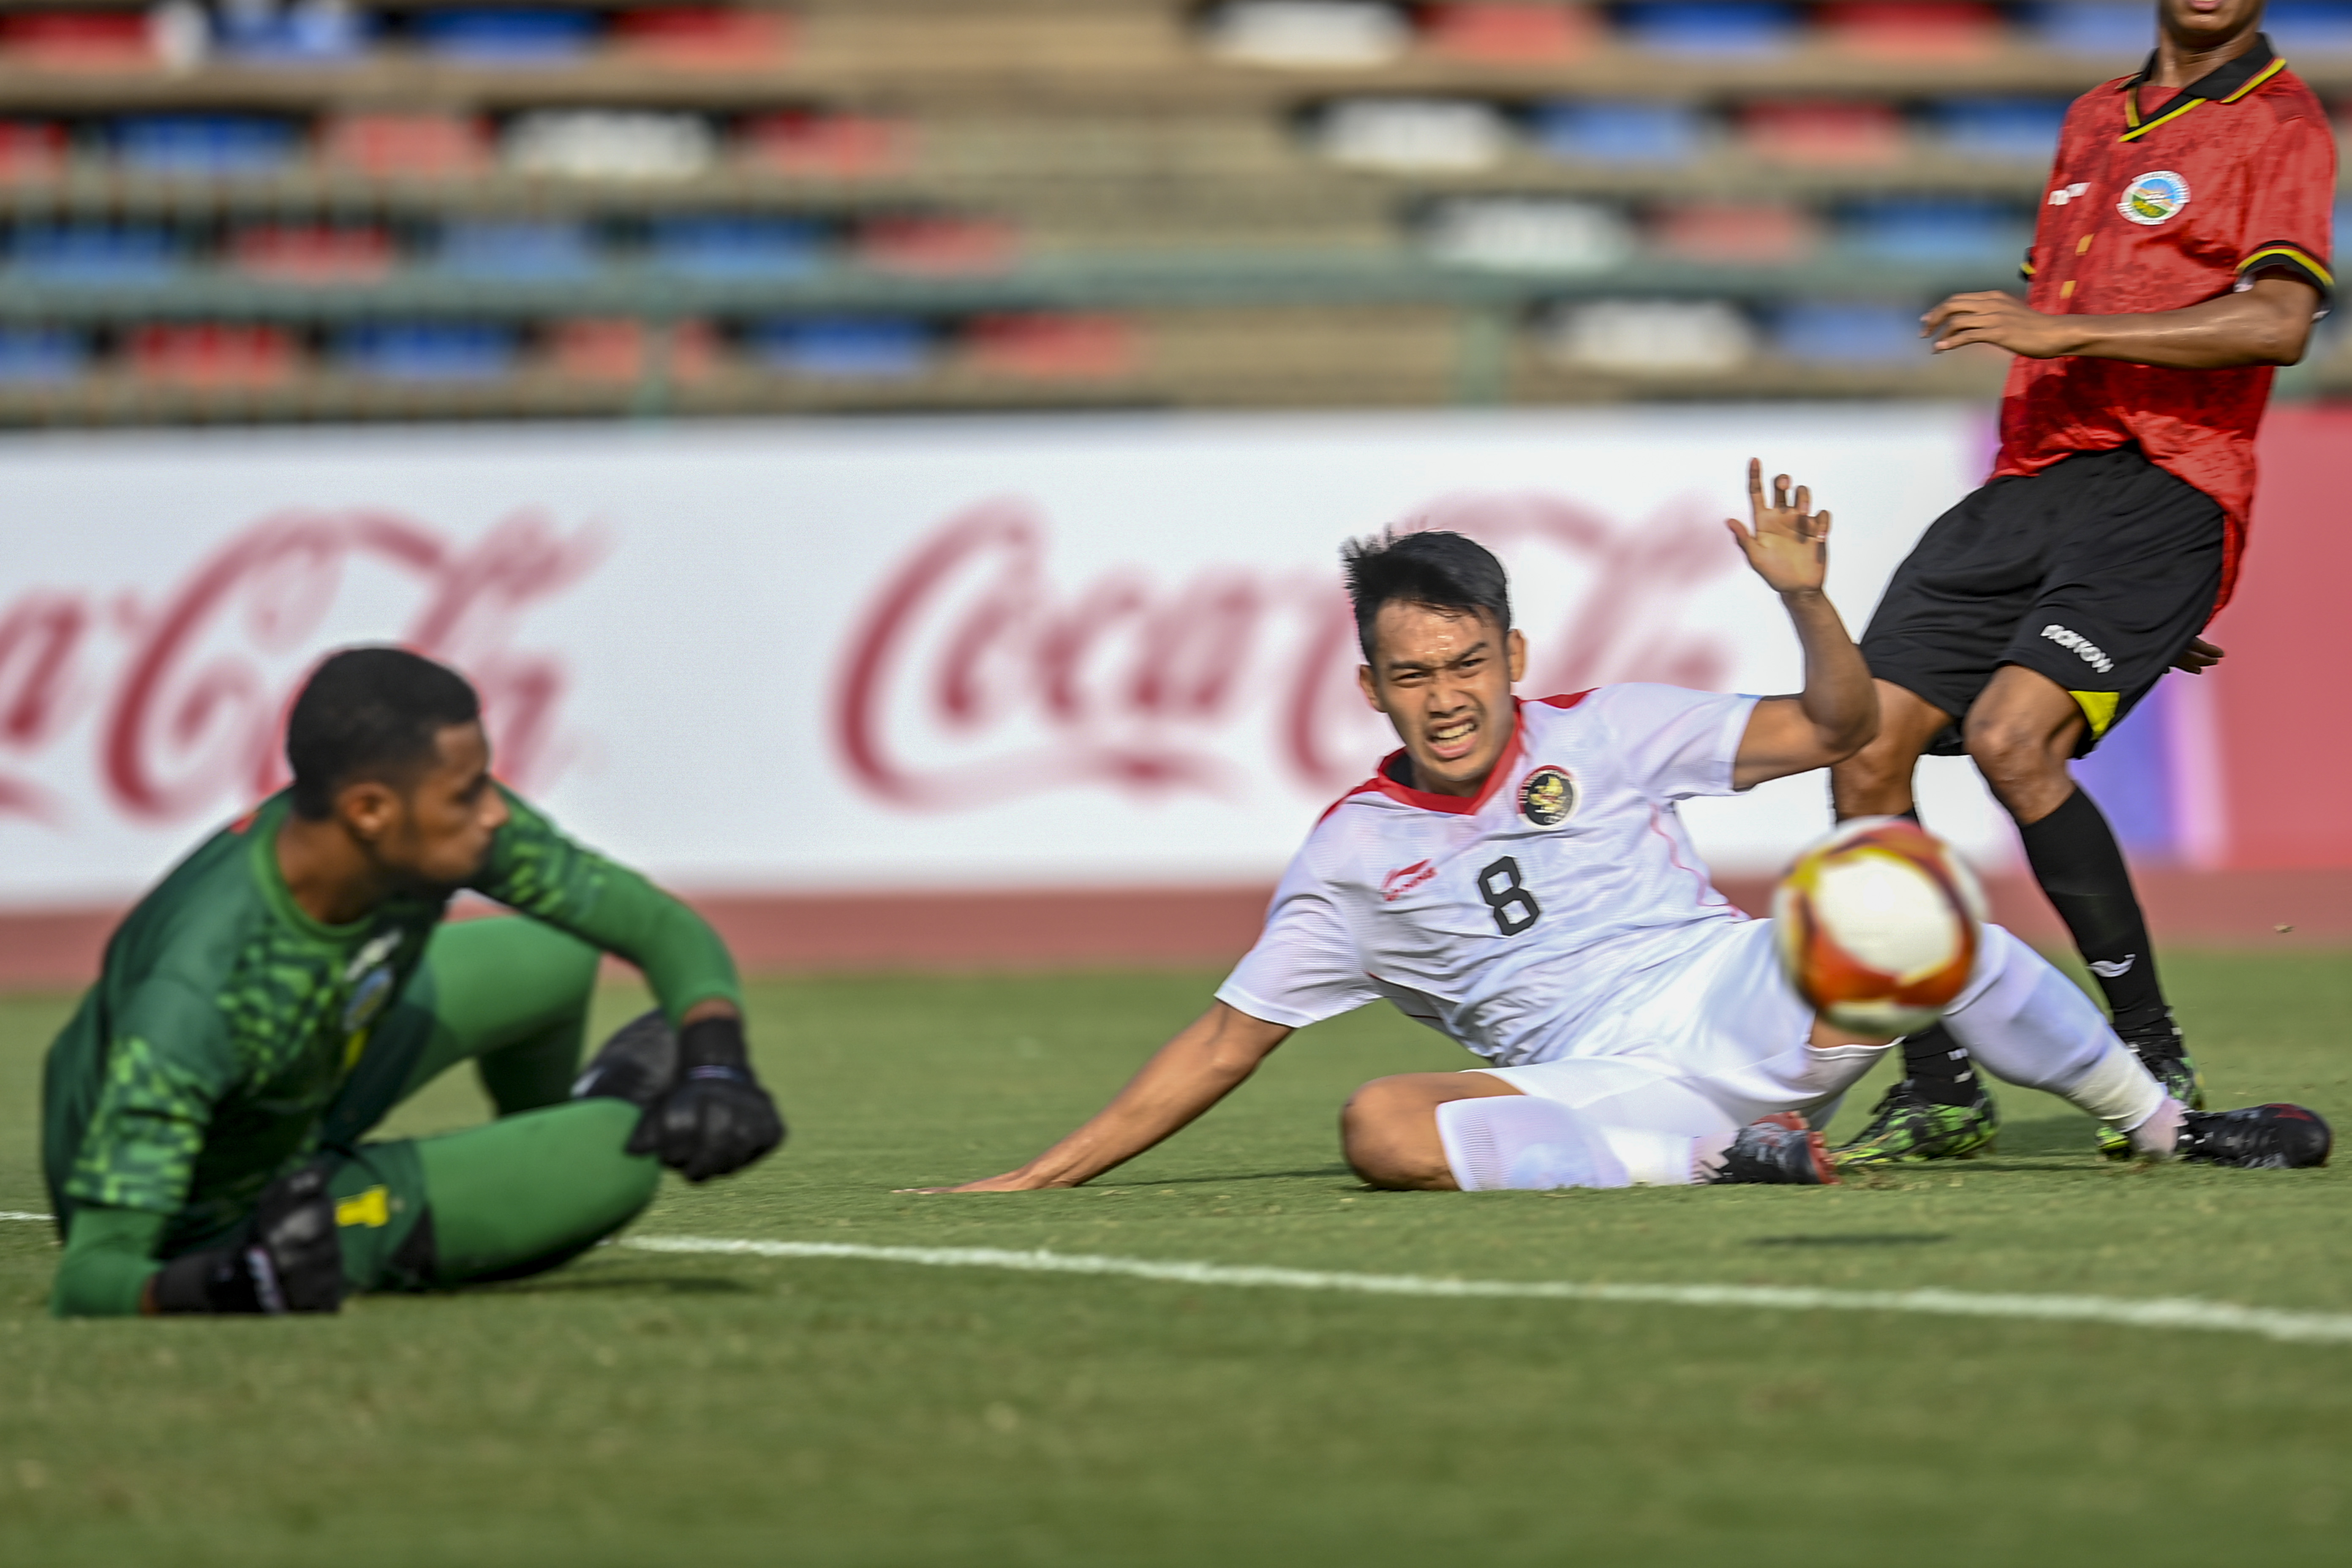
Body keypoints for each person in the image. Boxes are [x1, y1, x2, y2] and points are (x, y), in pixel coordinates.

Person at [923, 466, 2327, 1197]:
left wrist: (1804, 601)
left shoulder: (1603, 725)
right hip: (1603, 1097)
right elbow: (1226, 1041)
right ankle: (1738, 1160)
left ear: (1509, 652)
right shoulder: (1349, 855)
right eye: (1410, 677)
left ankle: (2159, 1128)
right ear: (1367, 690)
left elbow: (1837, 733)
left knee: (1881, 868)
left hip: (1741, 1006)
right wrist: (1033, 1177)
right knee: (1375, 1126)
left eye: (1464, 664)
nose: (1445, 698)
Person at [1828, 0, 2335, 1164]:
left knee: (2015, 742)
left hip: (2167, 482)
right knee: (1859, 744)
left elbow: (2280, 320)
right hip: (2032, 492)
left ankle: (2152, 1053)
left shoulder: (2283, 124)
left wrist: (2063, 332)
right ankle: (1938, 1081)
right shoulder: (2094, 118)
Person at [41, 647, 785, 1317]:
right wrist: (225, 1283)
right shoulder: (200, 991)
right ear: (370, 810)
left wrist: (717, 1056)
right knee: (620, 1158)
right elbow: (94, 1273)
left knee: (554, 953)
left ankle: (546, 1134)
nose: (495, 811)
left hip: (304, 1073)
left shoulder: (410, 829)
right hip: (220, 1212)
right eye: (466, 793)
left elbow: (654, 924)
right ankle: (587, 1131)